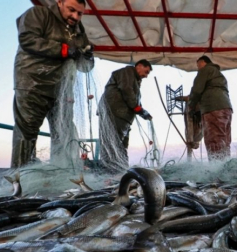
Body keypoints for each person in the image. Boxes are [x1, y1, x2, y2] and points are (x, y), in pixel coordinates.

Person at [11, 0, 94, 168]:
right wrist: (64, 50)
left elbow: (87, 65)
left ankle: (61, 176)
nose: (75, 16)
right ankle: (18, 181)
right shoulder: (39, 13)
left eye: (80, 13)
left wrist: (87, 57)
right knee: (27, 132)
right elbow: (27, 39)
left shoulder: (78, 29)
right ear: (60, 2)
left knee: (63, 134)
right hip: (33, 84)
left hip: (62, 91)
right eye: (71, 10)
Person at [98, 59, 153, 172]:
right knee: (112, 141)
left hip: (124, 117)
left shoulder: (135, 80)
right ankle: (109, 170)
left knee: (121, 145)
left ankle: (120, 170)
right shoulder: (127, 72)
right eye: (146, 72)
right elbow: (126, 90)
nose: (146, 76)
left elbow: (134, 98)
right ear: (139, 66)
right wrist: (138, 109)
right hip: (114, 113)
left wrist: (142, 111)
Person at [188, 56, 233, 161]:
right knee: (225, 140)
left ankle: (216, 170)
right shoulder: (219, 75)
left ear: (203, 62)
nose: (198, 67)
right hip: (226, 108)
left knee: (214, 139)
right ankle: (226, 167)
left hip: (213, 108)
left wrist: (191, 105)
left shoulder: (205, 70)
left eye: (198, 64)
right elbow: (211, 89)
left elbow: (196, 90)